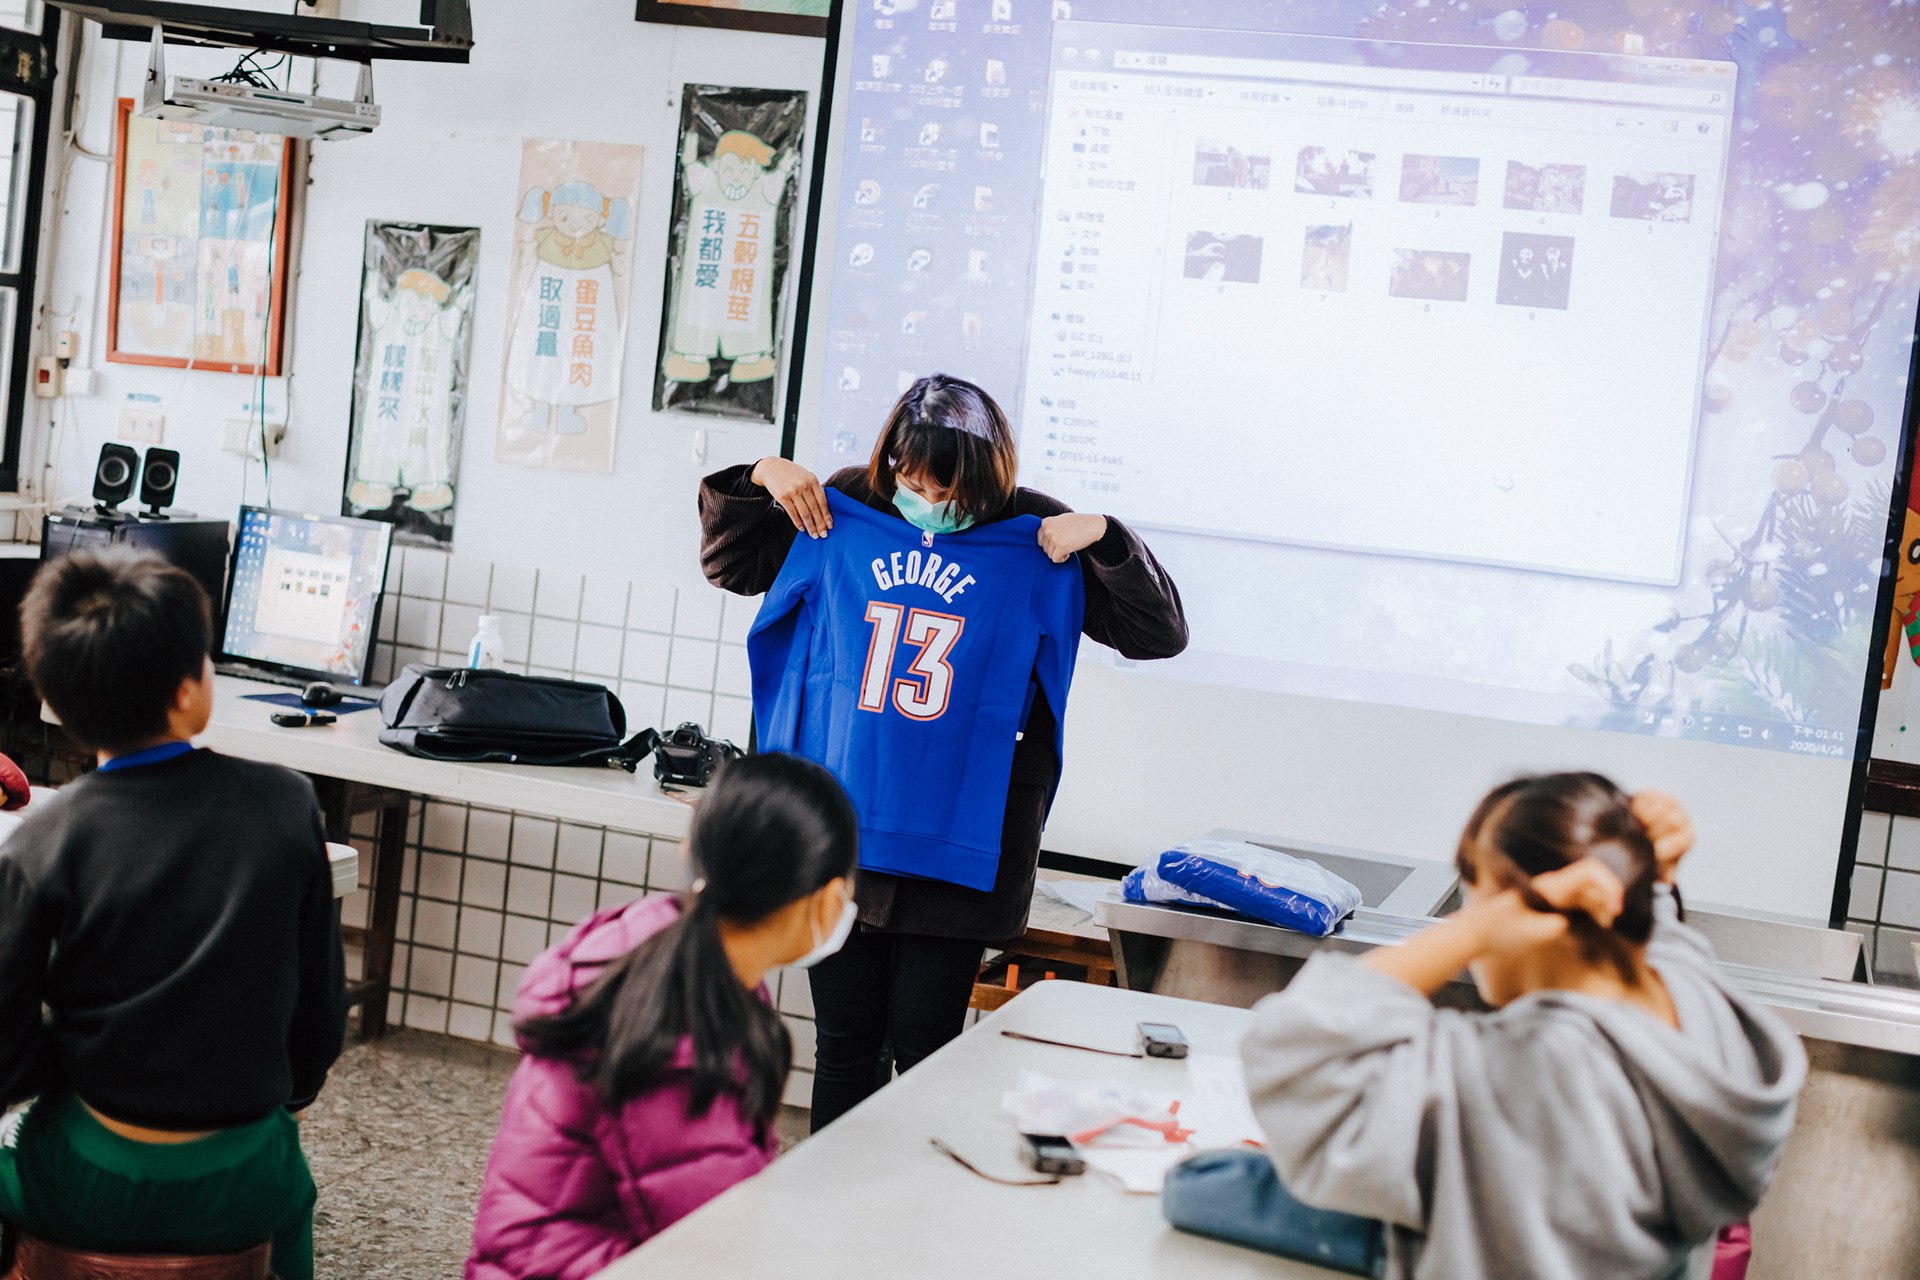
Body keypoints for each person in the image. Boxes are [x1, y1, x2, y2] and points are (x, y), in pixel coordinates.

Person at [700, 373, 1187, 1130]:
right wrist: (759, 476)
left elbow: (1160, 634)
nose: (927, 498)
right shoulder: (846, 505)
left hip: (962, 848)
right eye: (912, 477)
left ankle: (907, 1201)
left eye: (949, 487)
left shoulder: (1033, 531)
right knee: (845, 1046)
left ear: (989, 474)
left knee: (927, 1048)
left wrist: (1107, 537)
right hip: (846, 835)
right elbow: (730, 567)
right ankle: (830, 1201)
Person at [1240, 775, 1806, 1280]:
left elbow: (1294, 1048)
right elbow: (1655, 928)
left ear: (1525, 909)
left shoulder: (1523, 1072)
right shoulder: (1698, 1000)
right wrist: (1645, 871)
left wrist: (1475, 931)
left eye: (1473, 889)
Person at [0, 549, 345, 1280]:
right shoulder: (287, 804)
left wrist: (64, 1067)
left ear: (52, 698)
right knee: (290, 1194)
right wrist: (281, 1100)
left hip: (86, 1175)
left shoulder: (45, 838)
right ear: (189, 691)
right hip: (245, 1175)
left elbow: (5, 1041)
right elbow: (318, 1014)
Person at [466, 753, 859, 1279]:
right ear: (828, 902)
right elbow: (709, 1254)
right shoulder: (681, 1034)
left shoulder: (663, 945)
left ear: (691, 851)